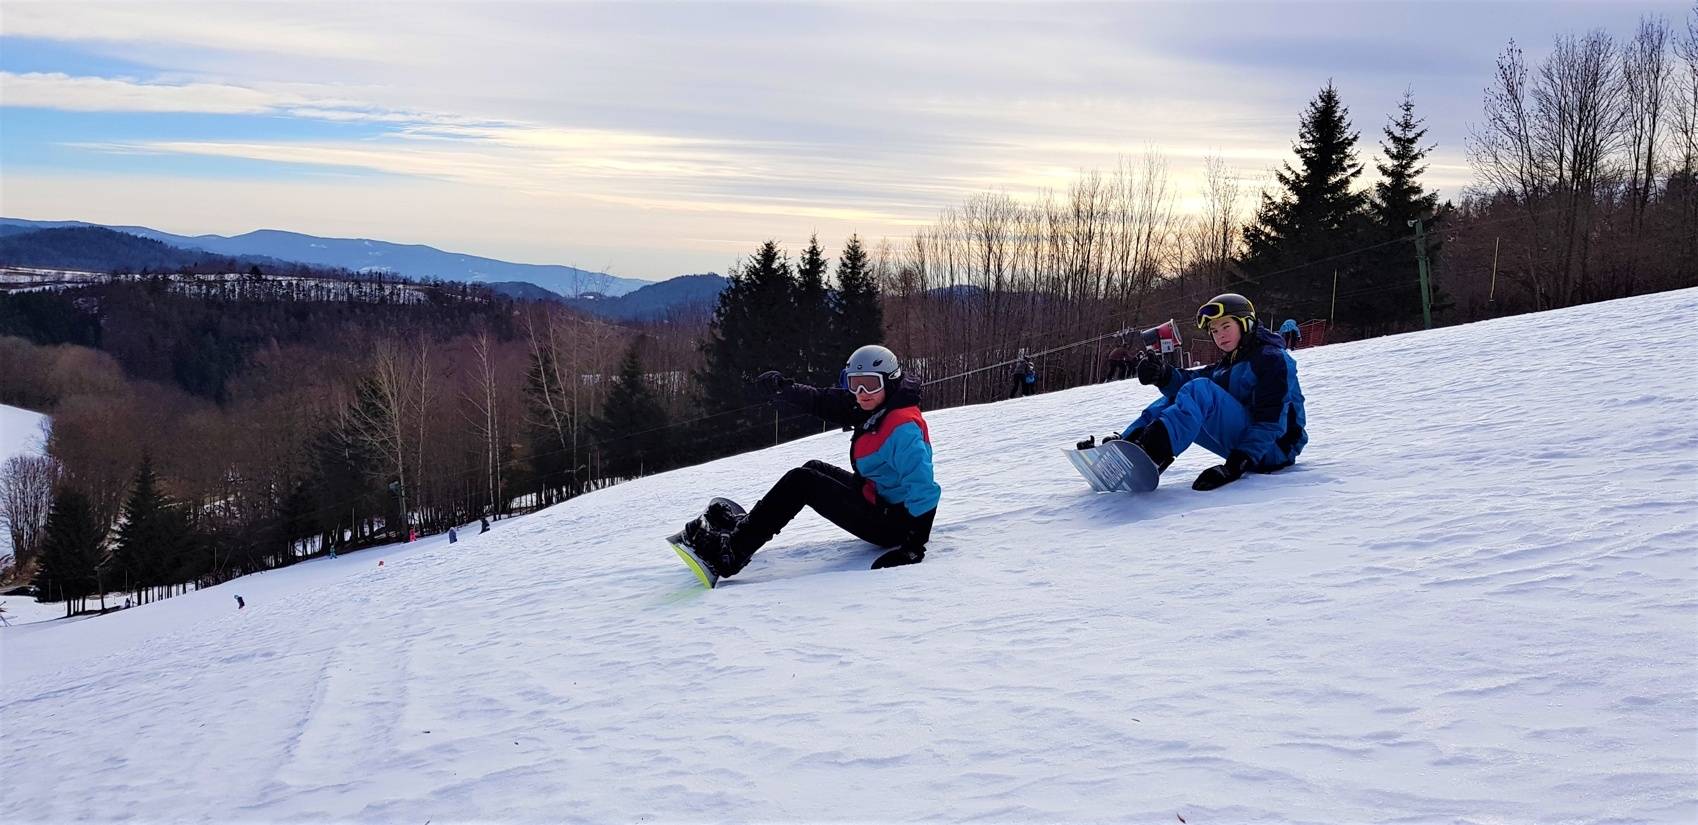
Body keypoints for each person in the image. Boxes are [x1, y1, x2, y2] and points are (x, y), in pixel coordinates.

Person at [679, 344, 942, 580]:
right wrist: (785, 389)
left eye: (870, 384)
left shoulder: (903, 427)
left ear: (891, 381)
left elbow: (924, 489)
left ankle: (732, 552)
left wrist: (912, 548)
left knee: (802, 481)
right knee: (812, 468)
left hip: (894, 525)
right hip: (876, 498)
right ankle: (746, 528)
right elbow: (824, 400)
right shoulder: (876, 403)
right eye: (854, 383)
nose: (861, 393)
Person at [1081, 293, 1307, 491]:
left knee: (1199, 391)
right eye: (1215, 330)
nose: (1220, 335)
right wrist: (1163, 374)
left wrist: (1235, 465)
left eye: (1226, 326)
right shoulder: (1229, 363)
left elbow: (1271, 423)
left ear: (1246, 324)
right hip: (1247, 446)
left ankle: (1152, 451)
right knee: (1177, 395)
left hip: (1273, 450)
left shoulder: (1272, 360)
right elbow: (1188, 381)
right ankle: (1129, 443)